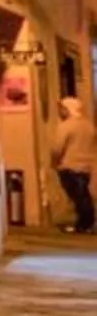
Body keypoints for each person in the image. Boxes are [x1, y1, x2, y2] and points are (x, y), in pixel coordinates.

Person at [53, 95, 97, 234]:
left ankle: (85, 222)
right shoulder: (89, 126)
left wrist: (54, 162)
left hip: (69, 165)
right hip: (86, 166)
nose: (60, 112)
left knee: (78, 196)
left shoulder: (65, 126)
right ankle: (85, 222)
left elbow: (56, 148)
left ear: (67, 110)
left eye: (62, 109)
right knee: (83, 194)